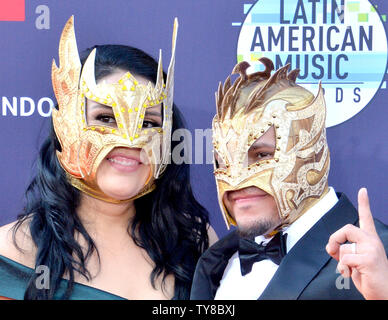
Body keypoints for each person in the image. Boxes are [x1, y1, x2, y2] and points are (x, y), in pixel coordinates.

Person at [0, 16, 217, 300]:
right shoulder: (12, 252)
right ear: (66, 125)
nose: (129, 140)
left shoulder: (195, 242)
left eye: (149, 123)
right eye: (105, 118)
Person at [190, 58, 388, 300]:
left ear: (311, 150)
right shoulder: (214, 263)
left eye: (262, 155)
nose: (236, 180)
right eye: (225, 160)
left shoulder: (381, 255)